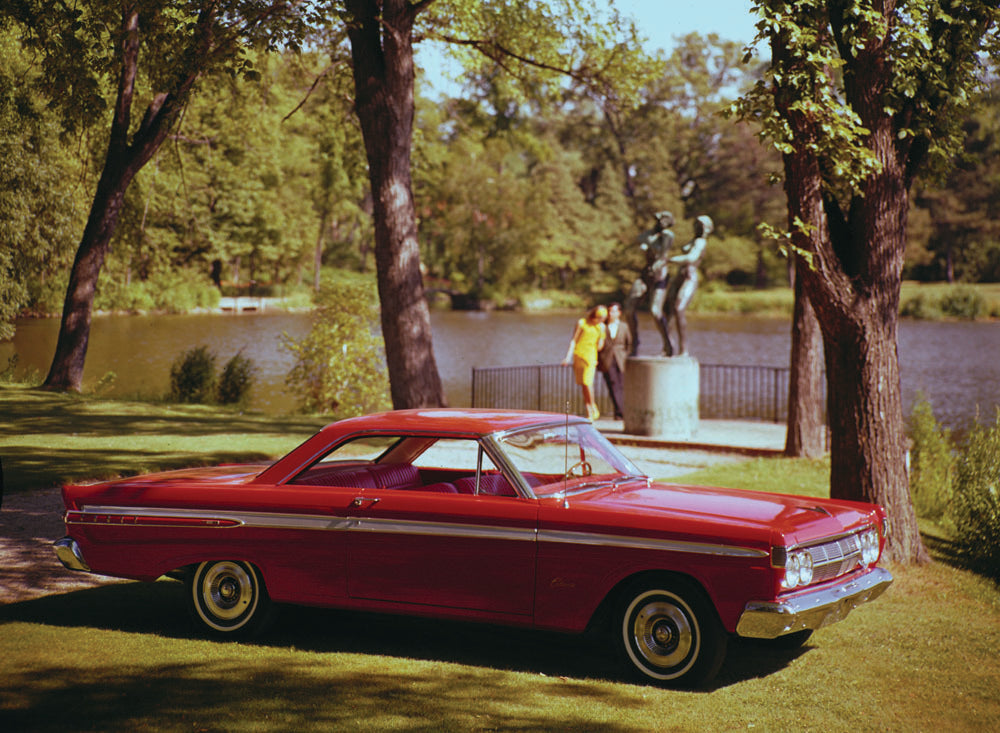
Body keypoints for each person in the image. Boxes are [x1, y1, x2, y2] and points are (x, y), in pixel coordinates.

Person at [624, 211, 675, 356]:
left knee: (655, 311)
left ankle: (667, 344)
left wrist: (649, 245)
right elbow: (639, 238)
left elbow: (662, 255)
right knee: (629, 308)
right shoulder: (650, 234)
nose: (659, 222)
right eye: (658, 219)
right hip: (645, 274)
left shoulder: (668, 235)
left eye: (663, 220)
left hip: (660, 276)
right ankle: (635, 342)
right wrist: (648, 239)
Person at [666, 215, 712, 356]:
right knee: (667, 312)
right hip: (678, 277)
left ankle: (683, 348)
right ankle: (667, 347)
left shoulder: (700, 242)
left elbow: (690, 258)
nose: (698, 227)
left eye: (701, 225)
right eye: (697, 224)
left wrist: (669, 260)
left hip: (689, 277)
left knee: (679, 309)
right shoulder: (693, 240)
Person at [562, 305, 607, 421]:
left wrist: (602, 334)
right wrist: (568, 357)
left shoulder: (601, 327)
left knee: (588, 382)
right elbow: (574, 340)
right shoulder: (582, 323)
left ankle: (592, 407)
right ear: (594, 315)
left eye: (603, 318)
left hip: (590, 356)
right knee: (583, 384)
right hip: (579, 355)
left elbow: (600, 347)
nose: (602, 320)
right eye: (600, 317)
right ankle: (588, 410)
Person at [597, 302, 632, 420]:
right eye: (610, 311)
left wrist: (626, 356)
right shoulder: (602, 326)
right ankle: (620, 412)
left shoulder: (624, 326)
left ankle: (619, 412)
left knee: (621, 386)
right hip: (607, 360)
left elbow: (629, 344)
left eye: (614, 311)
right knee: (613, 384)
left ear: (619, 313)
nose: (611, 314)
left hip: (621, 360)